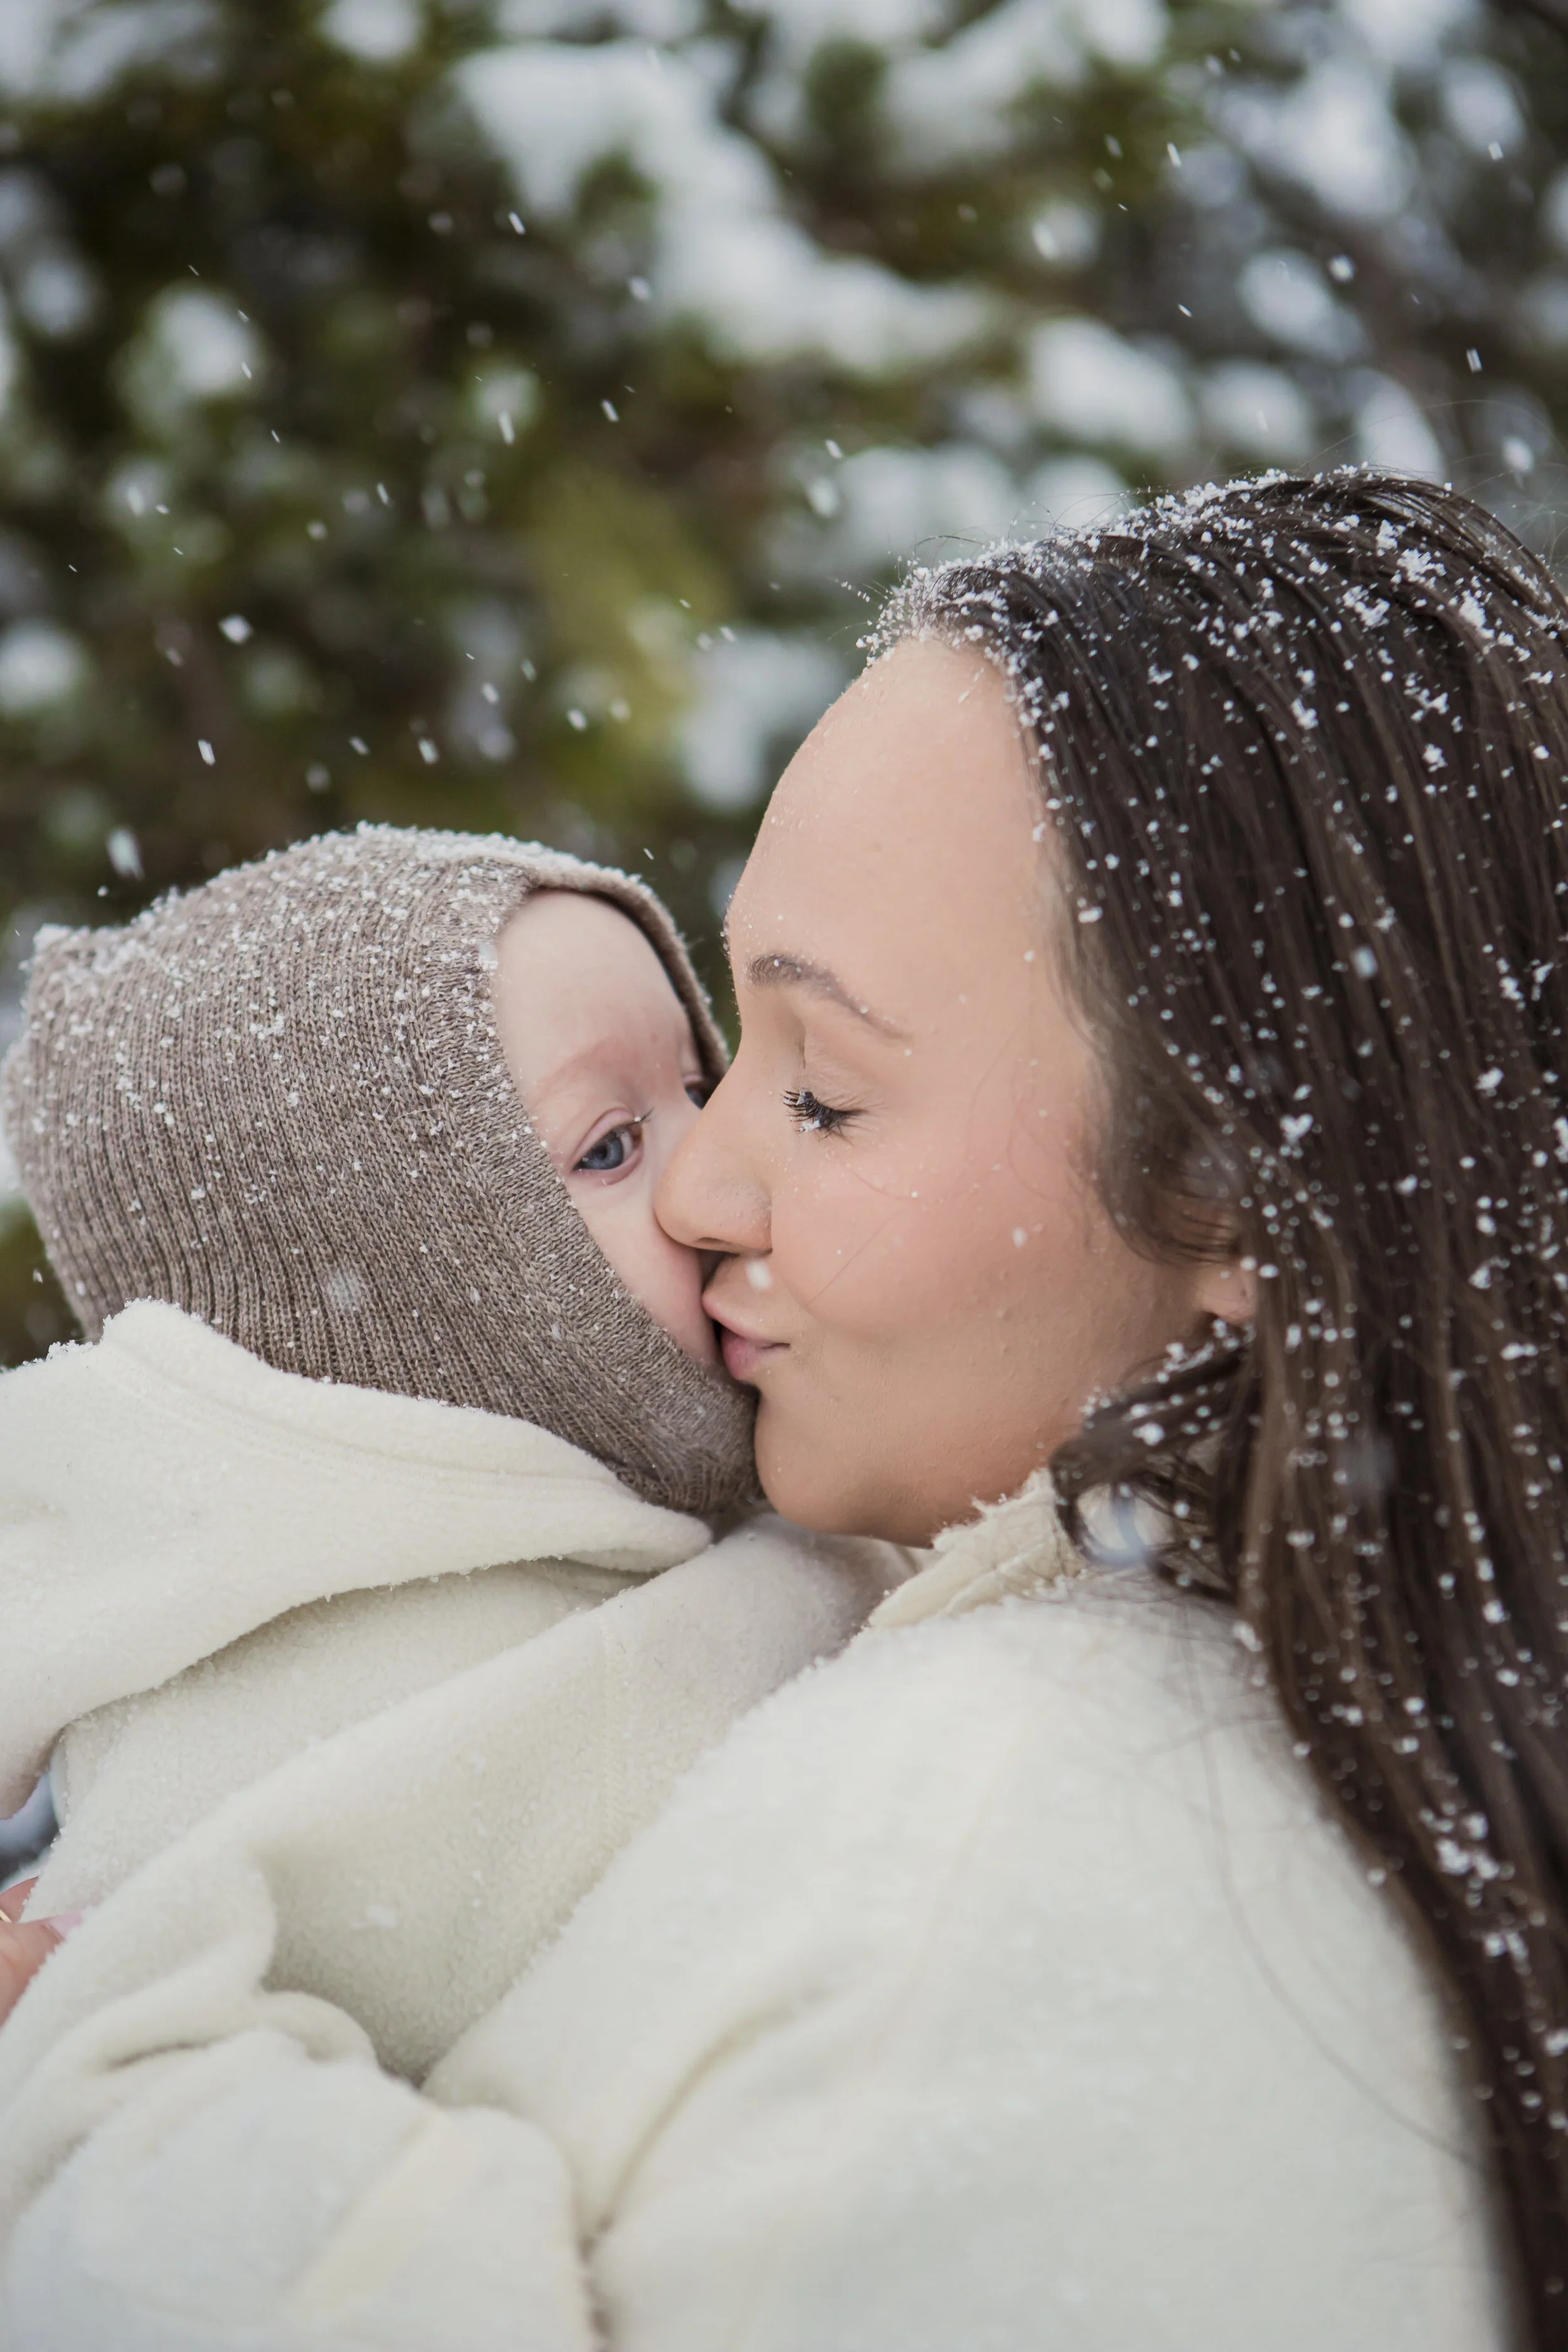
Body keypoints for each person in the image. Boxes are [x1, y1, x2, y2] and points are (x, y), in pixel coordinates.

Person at [0, 470, 1550, 2349]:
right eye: (733, 1050)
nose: (701, 1190)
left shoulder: (979, 1868)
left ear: (1235, 1175)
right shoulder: (1293, 1742)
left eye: (820, 1093)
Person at [0, 825, 894, 2096]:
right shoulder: (300, 1717)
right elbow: (148, 2153)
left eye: (700, 1077)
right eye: (609, 1145)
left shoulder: (795, 1476)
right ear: (425, 1301)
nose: (712, 1167)